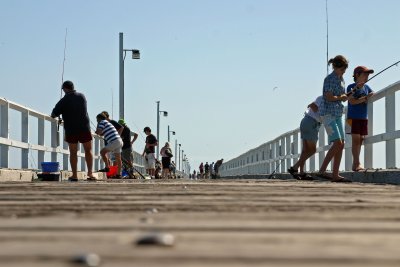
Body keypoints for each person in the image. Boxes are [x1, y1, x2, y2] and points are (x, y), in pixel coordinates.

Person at [51, 80, 94, 182]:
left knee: (73, 152)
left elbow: (54, 114)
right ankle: (90, 173)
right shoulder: (82, 96)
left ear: (65, 89)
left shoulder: (63, 100)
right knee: (88, 150)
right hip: (84, 127)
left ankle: (74, 175)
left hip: (71, 129)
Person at [317, 55, 351, 183]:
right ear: (335, 67)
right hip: (328, 114)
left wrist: (344, 96)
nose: (344, 72)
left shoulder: (341, 79)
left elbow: (339, 96)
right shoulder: (330, 79)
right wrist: (340, 98)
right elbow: (328, 97)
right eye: (342, 69)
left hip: (337, 114)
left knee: (341, 144)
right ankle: (322, 170)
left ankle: (335, 174)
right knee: (337, 143)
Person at [288, 96, 323, 180]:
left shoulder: (322, 98)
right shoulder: (324, 98)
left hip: (306, 121)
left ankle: (301, 172)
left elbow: (312, 105)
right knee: (312, 150)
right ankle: (294, 168)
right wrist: (326, 115)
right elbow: (313, 106)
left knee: (305, 150)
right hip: (312, 122)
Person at [347, 66, 374, 171]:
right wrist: (365, 98)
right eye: (365, 74)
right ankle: (357, 163)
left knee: (361, 139)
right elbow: (352, 101)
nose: (367, 76)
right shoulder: (351, 87)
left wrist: (369, 95)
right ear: (357, 75)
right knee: (356, 140)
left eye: (368, 74)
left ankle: (355, 163)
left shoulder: (366, 87)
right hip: (352, 118)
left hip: (363, 117)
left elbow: (372, 92)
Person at [95, 113, 123, 178]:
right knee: (118, 159)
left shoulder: (102, 122)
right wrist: (100, 133)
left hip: (114, 141)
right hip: (119, 140)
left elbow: (98, 132)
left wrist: (97, 130)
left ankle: (107, 167)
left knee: (102, 152)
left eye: (97, 120)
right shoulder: (108, 123)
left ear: (99, 118)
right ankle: (118, 174)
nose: (97, 121)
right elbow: (102, 133)